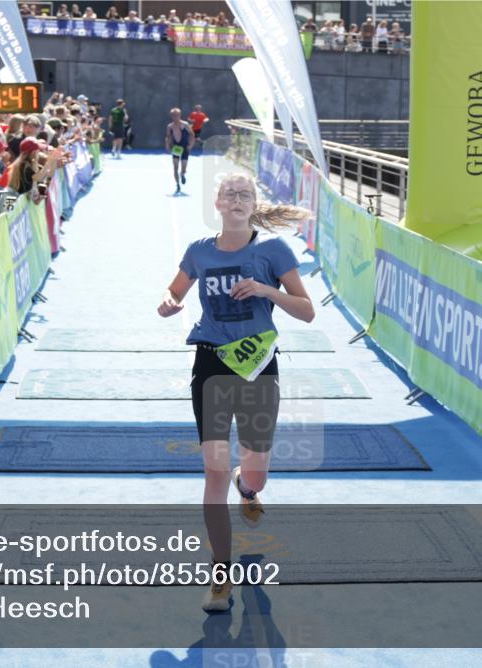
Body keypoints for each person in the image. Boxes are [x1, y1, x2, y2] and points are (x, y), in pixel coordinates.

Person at [156, 173, 315, 612]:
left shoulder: (273, 251)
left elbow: (307, 312)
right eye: (230, 194)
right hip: (210, 362)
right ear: (218, 204)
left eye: (246, 194)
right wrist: (169, 304)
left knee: (254, 472)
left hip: (258, 366)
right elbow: (172, 292)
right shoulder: (199, 251)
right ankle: (220, 574)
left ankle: (250, 488)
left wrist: (267, 290)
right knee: (213, 472)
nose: (238, 199)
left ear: (253, 204)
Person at [165, 108, 195, 194]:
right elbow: (168, 137)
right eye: (174, 115)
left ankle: (182, 174)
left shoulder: (185, 124)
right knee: (175, 167)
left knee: (184, 168)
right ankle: (177, 185)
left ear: (180, 115)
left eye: (177, 115)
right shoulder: (169, 126)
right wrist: (167, 145)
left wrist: (191, 145)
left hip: (185, 148)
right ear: (171, 116)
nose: (176, 117)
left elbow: (192, 135)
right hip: (176, 148)